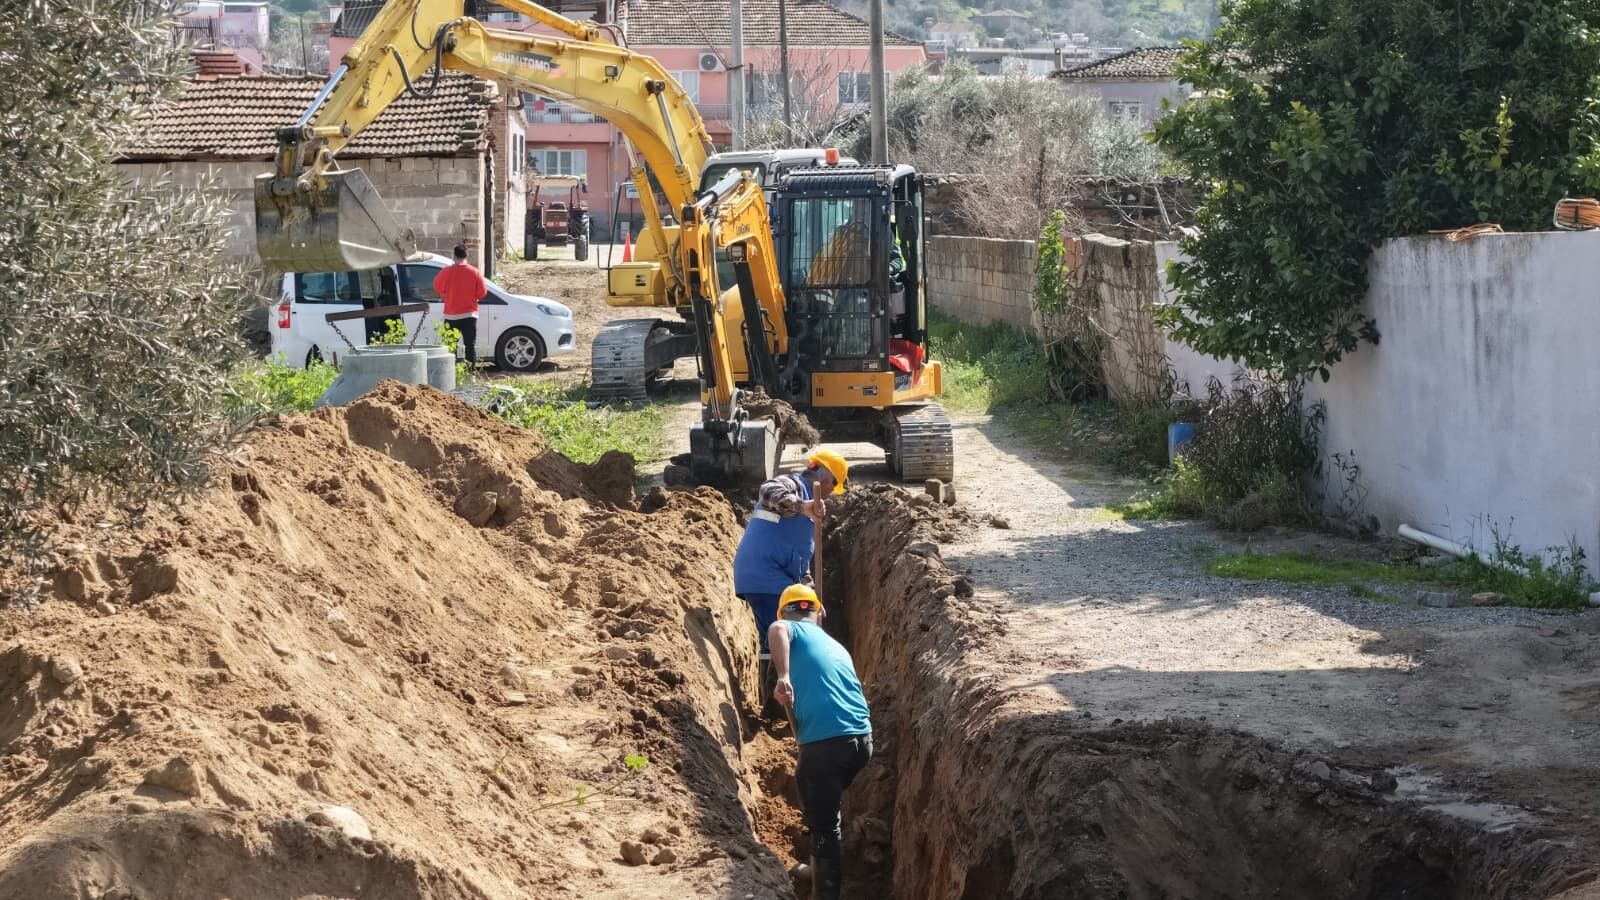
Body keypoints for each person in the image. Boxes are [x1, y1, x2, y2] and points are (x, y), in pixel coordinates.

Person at [769, 583, 872, 900]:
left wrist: (783, 675)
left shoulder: (789, 626)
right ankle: (819, 865)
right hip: (862, 742)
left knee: (824, 820)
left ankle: (825, 894)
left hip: (827, 746)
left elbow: (776, 629)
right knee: (813, 789)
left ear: (787, 611)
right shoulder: (835, 645)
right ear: (820, 612)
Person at [733, 450, 849, 717]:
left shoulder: (809, 510)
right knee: (790, 635)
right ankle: (780, 704)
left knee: (774, 637)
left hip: (772, 578)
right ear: (823, 473)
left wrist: (812, 599)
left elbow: (800, 562)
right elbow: (767, 491)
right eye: (834, 484)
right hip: (764, 575)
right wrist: (803, 506)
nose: (831, 492)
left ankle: (774, 702)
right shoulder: (792, 485)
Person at [433, 244, 487, 368]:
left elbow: (437, 286)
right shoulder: (475, 272)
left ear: (454, 256)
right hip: (469, 315)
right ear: (466, 255)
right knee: (470, 345)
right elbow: (482, 293)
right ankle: (471, 372)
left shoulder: (446, 271)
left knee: (451, 347)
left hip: (451, 315)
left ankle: (451, 372)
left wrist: (445, 293)